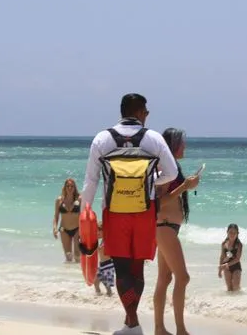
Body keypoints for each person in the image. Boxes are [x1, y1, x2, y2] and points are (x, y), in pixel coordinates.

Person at [80, 93, 178, 335]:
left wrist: (86, 216)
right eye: (146, 111)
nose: (147, 115)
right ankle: (131, 323)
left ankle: (132, 323)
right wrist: (151, 181)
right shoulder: (153, 138)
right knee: (138, 269)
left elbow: (91, 181)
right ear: (139, 112)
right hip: (145, 211)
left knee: (122, 269)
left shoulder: (102, 139)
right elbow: (172, 173)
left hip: (114, 212)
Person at [153, 128, 200, 335]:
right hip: (163, 226)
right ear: (173, 145)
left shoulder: (171, 166)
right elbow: (159, 203)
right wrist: (184, 187)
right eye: (182, 143)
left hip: (167, 227)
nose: (185, 146)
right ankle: (180, 330)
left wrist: (186, 185)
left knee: (165, 279)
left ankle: (159, 329)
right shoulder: (164, 168)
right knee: (183, 277)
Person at [53, 178, 82, 262]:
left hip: (77, 229)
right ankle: (67, 271)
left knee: (77, 255)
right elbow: (56, 216)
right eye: (68, 186)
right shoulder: (59, 200)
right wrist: (54, 228)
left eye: (72, 186)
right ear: (65, 187)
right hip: (64, 230)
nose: (70, 188)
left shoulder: (79, 199)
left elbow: (84, 214)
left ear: (75, 187)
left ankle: (76, 272)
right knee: (68, 255)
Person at [218, 223, 243, 292]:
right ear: (227, 232)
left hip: (236, 267)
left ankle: (239, 300)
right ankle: (229, 302)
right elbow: (222, 256)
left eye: (234, 233)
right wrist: (220, 270)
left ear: (237, 233)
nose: (232, 234)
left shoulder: (239, 245)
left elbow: (237, 259)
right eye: (230, 232)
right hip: (226, 268)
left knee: (236, 287)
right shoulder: (224, 244)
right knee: (229, 288)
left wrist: (226, 265)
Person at [94, 222, 115, 296]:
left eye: (99, 230)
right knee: (96, 282)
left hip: (108, 265)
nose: (97, 232)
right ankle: (98, 295)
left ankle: (108, 297)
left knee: (107, 285)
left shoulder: (108, 241)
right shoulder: (102, 241)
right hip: (102, 265)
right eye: (96, 230)